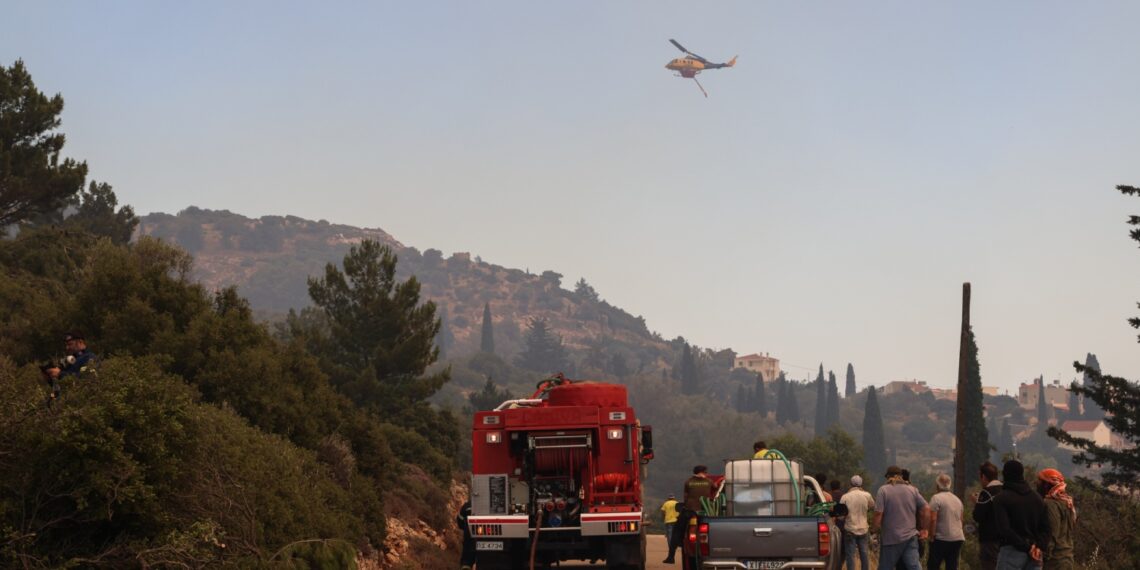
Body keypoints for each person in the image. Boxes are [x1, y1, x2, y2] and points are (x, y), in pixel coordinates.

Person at [992, 460, 1048, 570]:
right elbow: (1046, 528)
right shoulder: (1037, 499)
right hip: (1035, 554)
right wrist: (1038, 546)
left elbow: (1004, 529)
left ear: (1005, 474)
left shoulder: (1001, 499)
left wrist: (1026, 547)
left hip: (1011, 551)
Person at [874, 465, 929, 570]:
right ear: (901, 476)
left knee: (885, 567)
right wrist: (925, 529)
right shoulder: (913, 490)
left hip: (891, 538)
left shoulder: (883, 490)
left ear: (888, 477)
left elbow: (878, 514)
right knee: (914, 566)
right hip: (911, 537)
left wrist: (874, 531)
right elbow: (926, 508)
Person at [665, 465, 715, 565]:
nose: (707, 474)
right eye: (705, 472)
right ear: (701, 472)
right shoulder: (709, 482)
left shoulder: (688, 482)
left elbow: (685, 497)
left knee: (676, 532)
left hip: (689, 512)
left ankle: (671, 557)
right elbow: (715, 489)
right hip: (705, 512)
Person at [1035, 469, 1074, 570]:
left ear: (1046, 485)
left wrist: (1045, 556)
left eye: (1039, 481)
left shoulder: (1050, 503)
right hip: (1067, 558)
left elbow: (1052, 532)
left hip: (1055, 561)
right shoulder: (1067, 502)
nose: (1037, 484)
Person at [927, 473, 965, 570]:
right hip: (957, 538)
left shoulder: (936, 498)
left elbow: (933, 519)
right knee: (952, 566)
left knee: (933, 566)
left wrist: (931, 536)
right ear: (949, 485)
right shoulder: (957, 500)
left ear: (937, 485)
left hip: (941, 538)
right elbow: (961, 520)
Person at [972, 462, 1004, 570]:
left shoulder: (986, 493)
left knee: (989, 565)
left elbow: (977, 516)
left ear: (984, 477)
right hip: (1005, 539)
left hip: (989, 539)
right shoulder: (1005, 490)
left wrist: (977, 503)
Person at [841, 475, 875, 570]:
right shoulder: (867, 495)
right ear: (861, 484)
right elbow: (872, 506)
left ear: (850, 484)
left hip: (850, 529)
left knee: (850, 555)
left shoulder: (845, 497)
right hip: (864, 528)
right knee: (864, 553)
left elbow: (841, 514)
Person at [456, 500, 475, 570]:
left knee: (467, 548)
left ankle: (466, 564)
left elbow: (460, 521)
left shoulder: (467, 505)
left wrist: (466, 528)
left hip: (470, 540)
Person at [661, 494, 680, 561]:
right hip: (676, 521)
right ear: (674, 498)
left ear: (668, 498)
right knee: (675, 536)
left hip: (668, 521)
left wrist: (664, 518)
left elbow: (663, 512)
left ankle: (671, 549)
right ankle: (674, 547)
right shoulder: (677, 503)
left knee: (669, 536)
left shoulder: (666, 503)